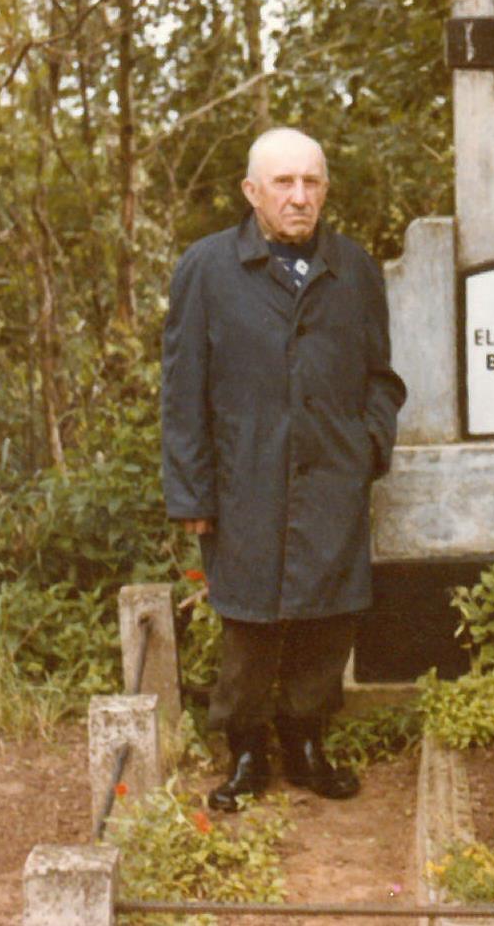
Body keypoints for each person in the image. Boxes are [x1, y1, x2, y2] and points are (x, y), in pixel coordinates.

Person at [161, 127, 407, 812]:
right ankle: (243, 747)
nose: (299, 198)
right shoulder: (207, 270)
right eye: (283, 184)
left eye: (311, 183)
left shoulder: (353, 269)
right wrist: (192, 492)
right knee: (248, 618)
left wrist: (367, 448)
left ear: (325, 189)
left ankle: (305, 739)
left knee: (328, 616)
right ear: (251, 192)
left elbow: (381, 380)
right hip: (246, 479)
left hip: (333, 476)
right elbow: (182, 394)